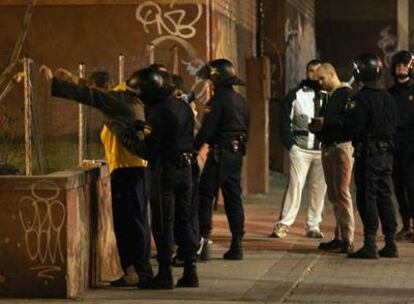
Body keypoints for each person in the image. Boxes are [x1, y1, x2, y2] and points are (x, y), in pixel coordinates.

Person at [40, 65, 156, 287]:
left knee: (131, 223)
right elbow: (96, 92)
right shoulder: (125, 98)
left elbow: (92, 96)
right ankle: (137, 270)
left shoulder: (119, 100)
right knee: (133, 221)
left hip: (128, 169)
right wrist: (76, 80)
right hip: (130, 168)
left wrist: (57, 83)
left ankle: (138, 271)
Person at [124, 68, 199, 288]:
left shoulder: (158, 112)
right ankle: (190, 270)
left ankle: (165, 273)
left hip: (166, 172)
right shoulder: (182, 105)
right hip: (186, 169)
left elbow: (150, 150)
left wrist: (130, 140)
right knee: (183, 220)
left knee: (163, 222)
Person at [343, 53, 398, 259]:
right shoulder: (388, 97)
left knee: (368, 197)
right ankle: (391, 242)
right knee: (385, 196)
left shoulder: (361, 98)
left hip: (369, 154)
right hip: (387, 154)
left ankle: (370, 244)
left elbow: (353, 129)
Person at [194, 58, 249, 261]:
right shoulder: (241, 101)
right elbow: (246, 130)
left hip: (219, 154)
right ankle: (237, 244)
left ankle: (203, 242)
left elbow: (207, 132)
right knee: (233, 197)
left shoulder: (217, 101)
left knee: (205, 195)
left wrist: (192, 150)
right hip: (236, 154)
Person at [270, 59, 327, 239]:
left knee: (319, 190)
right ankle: (284, 223)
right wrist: (291, 146)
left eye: (318, 71)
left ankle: (313, 226)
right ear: (306, 72)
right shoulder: (295, 94)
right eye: (311, 70)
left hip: (322, 150)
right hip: (300, 150)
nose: (314, 74)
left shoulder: (331, 95)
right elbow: (284, 122)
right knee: (295, 186)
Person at [309, 63, 355, 255]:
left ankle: (348, 239)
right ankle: (339, 236)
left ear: (332, 74)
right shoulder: (331, 96)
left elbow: (349, 122)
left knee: (342, 193)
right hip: (329, 146)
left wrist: (325, 122)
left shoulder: (346, 94)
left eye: (322, 78)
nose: (320, 83)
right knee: (334, 195)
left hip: (341, 147)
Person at [388, 50, 414, 241]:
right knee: (398, 186)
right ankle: (405, 225)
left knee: (412, 186)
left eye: (404, 65)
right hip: (395, 145)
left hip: (412, 144)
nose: (401, 69)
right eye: (398, 65)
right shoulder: (390, 94)